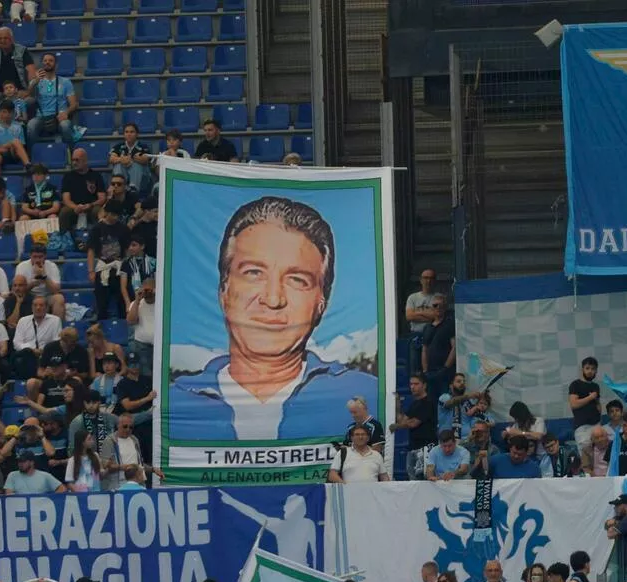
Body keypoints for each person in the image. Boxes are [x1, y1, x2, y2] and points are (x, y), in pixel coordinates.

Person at [169, 197, 377, 440]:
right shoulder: (176, 402)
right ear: (223, 291)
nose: (273, 299)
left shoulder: (366, 395)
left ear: (321, 303)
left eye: (297, 280)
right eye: (254, 273)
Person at [27, 53, 78, 146]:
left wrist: (66, 113)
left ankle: (71, 153)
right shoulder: (36, 81)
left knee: (65, 126)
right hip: (41, 117)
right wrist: (35, 82)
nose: (47, 62)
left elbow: (74, 104)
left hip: (59, 117)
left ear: (56, 64)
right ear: (42, 64)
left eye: (50, 60)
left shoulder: (65, 82)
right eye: (45, 61)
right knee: (31, 126)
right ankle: (31, 157)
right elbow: (28, 97)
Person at [0, 27, 37, 100]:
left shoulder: (22, 50)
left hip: (18, 91)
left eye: (5, 38)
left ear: (12, 39)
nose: (3, 41)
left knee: (30, 101)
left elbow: (31, 71)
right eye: (0, 38)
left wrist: (28, 91)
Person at [0, 101, 29, 177]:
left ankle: (28, 166)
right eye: (4, 112)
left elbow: (21, 146)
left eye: (10, 112)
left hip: (13, 154)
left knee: (15, 142)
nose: (7, 115)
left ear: (13, 113)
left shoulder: (18, 127)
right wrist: (0, 150)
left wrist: (6, 147)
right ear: (0, 112)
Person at [404, 268, 435, 371]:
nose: (428, 281)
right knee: (414, 367)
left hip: (433, 338)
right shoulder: (412, 298)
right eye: (425, 278)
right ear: (421, 280)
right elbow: (409, 316)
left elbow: (436, 316)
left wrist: (418, 311)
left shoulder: (438, 297)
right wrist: (428, 313)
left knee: (430, 368)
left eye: (431, 278)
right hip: (416, 336)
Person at [568, 357, 602, 449]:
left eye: (593, 369)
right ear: (582, 369)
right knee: (586, 458)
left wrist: (596, 403)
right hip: (582, 427)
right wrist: (590, 397)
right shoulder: (575, 384)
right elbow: (574, 404)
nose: (590, 371)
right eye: (587, 368)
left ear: (596, 371)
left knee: (600, 455)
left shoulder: (595, 386)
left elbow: (598, 405)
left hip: (596, 424)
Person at [110, 122, 153, 192]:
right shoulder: (118, 146)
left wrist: (130, 160)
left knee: (136, 165)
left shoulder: (143, 147)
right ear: (124, 134)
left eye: (132, 132)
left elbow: (146, 159)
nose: (129, 134)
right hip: (125, 175)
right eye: (126, 132)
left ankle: (133, 190)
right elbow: (111, 159)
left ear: (137, 134)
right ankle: (119, 187)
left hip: (142, 179)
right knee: (118, 164)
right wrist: (121, 159)